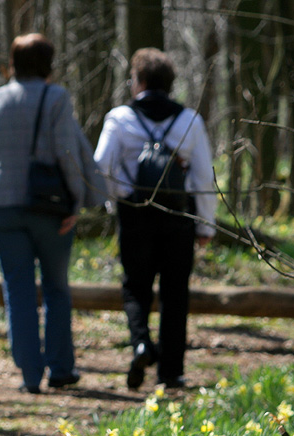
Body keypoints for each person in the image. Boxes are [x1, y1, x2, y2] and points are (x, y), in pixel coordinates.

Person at [0, 33, 106, 395]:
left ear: (13, 62)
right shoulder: (56, 97)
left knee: (16, 290)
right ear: (49, 64)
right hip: (49, 207)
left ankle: (30, 376)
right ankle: (61, 369)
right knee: (56, 289)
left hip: (1, 205)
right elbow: (67, 151)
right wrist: (76, 201)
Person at [93, 48, 217, 390]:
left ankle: (141, 344)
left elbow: (101, 164)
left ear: (139, 81)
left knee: (136, 286)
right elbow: (204, 177)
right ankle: (171, 371)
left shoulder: (120, 117)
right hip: (179, 215)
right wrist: (205, 225)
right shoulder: (190, 119)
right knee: (176, 291)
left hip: (135, 214)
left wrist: (118, 197)